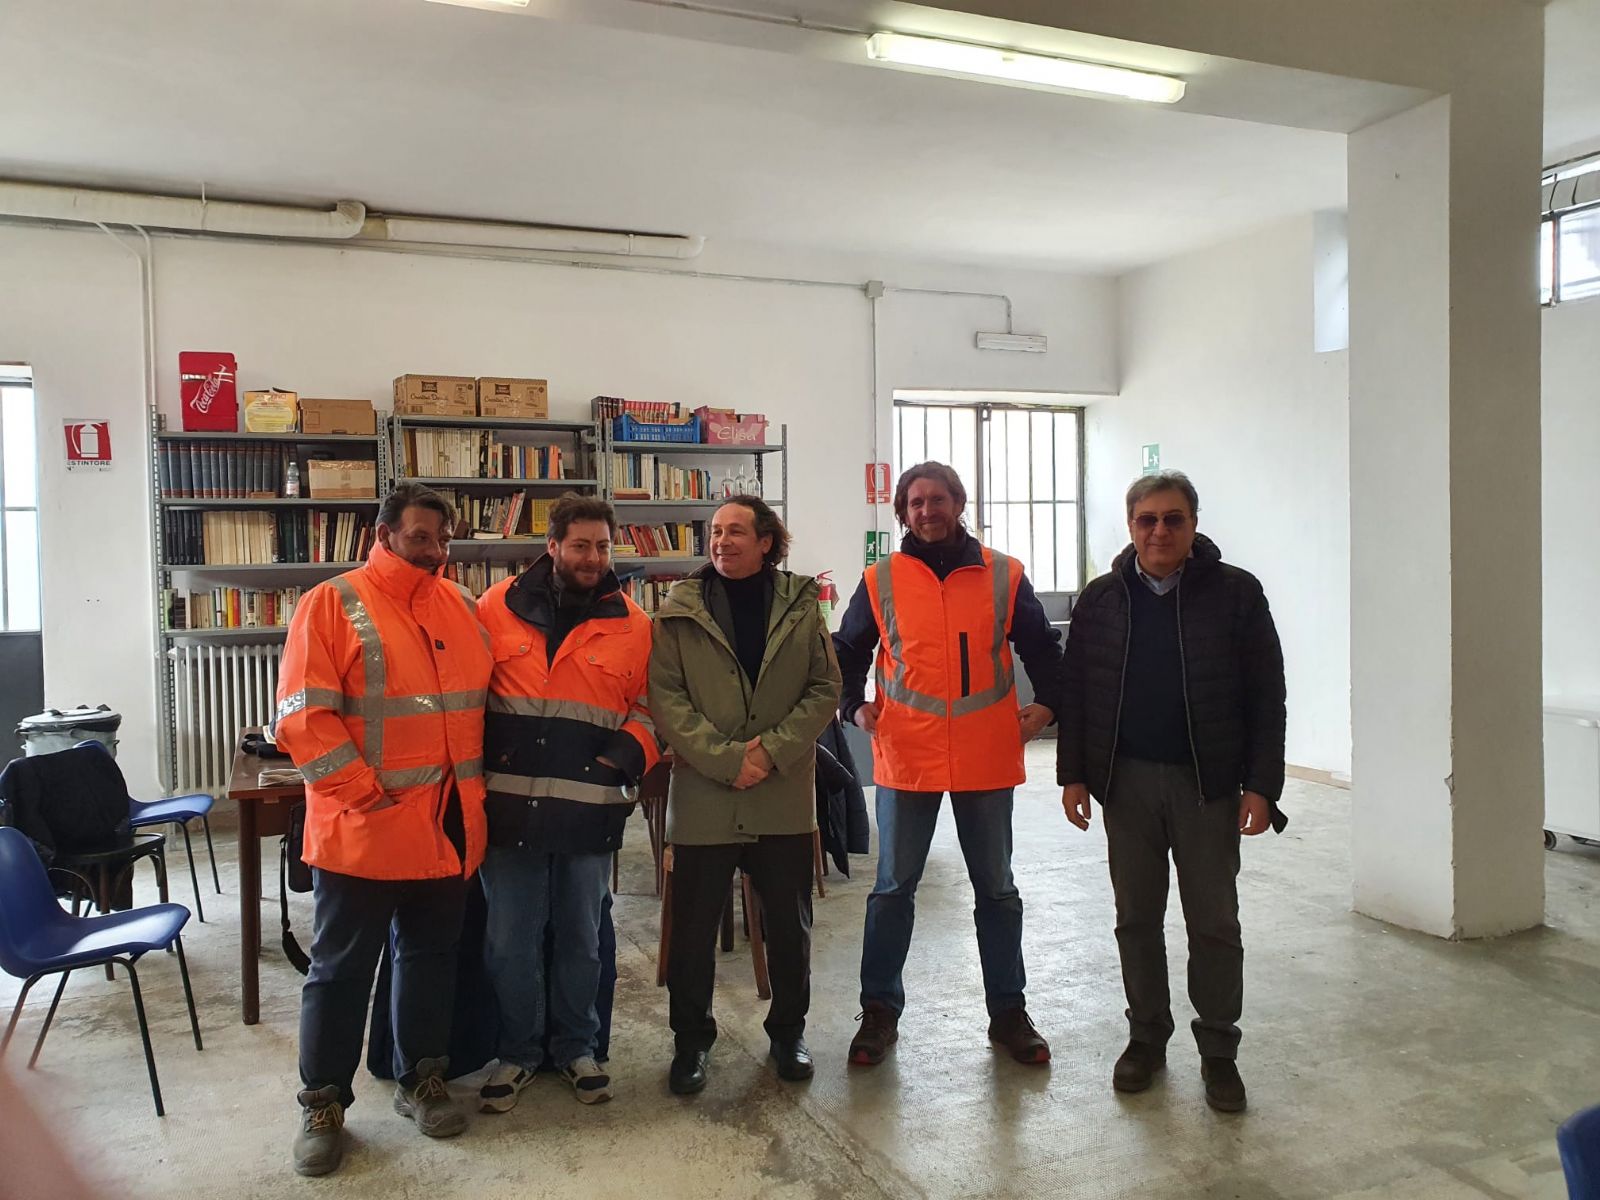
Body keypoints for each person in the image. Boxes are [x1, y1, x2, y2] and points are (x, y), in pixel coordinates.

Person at [274, 483, 492, 1176]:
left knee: (430, 960)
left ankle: (421, 1078)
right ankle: (323, 1104)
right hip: (362, 829)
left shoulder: (461, 605)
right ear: (385, 534)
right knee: (340, 972)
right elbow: (302, 718)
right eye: (421, 537)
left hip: (448, 827)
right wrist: (365, 797)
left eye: (444, 539)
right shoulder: (330, 603)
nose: (435, 550)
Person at [1057, 470, 1286, 1114]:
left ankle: (1219, 1051)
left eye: (1173, 518)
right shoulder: (1102, 599)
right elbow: (1077, 692)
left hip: (1206, 785)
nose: (1160, 530)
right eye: (1147, 519)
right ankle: (1146, 1038)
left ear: (1193, 524)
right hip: (1125, 782)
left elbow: (1268, 696)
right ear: (1131, 526)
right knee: (1136, 917)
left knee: (1214, 922)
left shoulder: (1236, 594)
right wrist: (1073, 774)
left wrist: (1261, 785)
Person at [833, 462, 1062, 1068]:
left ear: (960, 504)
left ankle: (1009, 1013)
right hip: (908, 754)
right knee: (892, 890)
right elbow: (847, 648)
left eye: (937, 500)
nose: (926, 511)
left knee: (997, 890)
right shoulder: (881, 578)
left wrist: (1048, 705)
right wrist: (852, 704)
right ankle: (878, 1013)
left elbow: (1042, 646)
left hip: (985, 754)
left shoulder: (1003, 574)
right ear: (903, 513)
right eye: (915, 503)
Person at [648, 496, 841, 1095]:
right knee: (692, 930)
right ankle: (690, 1042)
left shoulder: (802, 605)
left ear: (766, 542)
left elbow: (824, 687)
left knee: (789, 926)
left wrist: (770, 752)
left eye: (736, 531)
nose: (722, 541)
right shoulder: (678, 610)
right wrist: (728, 760)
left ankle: (788, 1034)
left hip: (781, 795)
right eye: (715, 531)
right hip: (704, 797)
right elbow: (666, 698)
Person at [474, 495, 658, 1110]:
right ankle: (517, 1053)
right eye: (580, 545)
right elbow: (465, 694)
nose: (593, 558)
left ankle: (578, 1048)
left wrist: (622, 759)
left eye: (602, 546)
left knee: (583, 937)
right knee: (510, 940)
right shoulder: (493, 608)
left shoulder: (635, 625)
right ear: (551, 546)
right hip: (509, 808)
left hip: (588, 807)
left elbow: (653, 708)